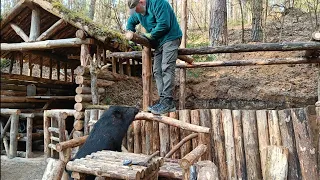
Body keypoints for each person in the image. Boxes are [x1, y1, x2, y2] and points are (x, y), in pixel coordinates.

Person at [126, 0, 182, 115]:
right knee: (157, 71)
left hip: (171, 37)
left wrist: (148, 36)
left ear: (141, 2)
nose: (135, 13)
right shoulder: (137, 12)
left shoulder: (159, 3)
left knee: (166, 68)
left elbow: (164, 25)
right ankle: (163, 101)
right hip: (158, 43)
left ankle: (168, 101)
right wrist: (130, 34)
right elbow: (130, 22)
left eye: (136, 9)